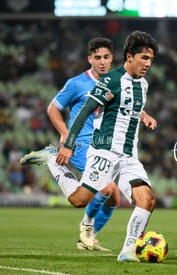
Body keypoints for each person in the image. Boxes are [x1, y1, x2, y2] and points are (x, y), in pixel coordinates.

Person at [55, 30, 159, 262]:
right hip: (104, 152)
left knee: (148, 200)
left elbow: (129, 107)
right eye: (144, 57)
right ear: (129, 56)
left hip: (129, 157)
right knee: (79, 201)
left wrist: (145, 116)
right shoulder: (111, 80)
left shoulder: (143, 85)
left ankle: (128, 251)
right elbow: (84, 111)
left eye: (151, 59)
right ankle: (55, 165)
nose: (148, 63)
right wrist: (68, 145)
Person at [21, 37, 119, 251]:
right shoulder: (77, 83)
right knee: (106, 187)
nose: (102, 62)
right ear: (89, 59)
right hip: (81, 144)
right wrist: (65, 134)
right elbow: (53, 108)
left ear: (112, 58)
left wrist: (144, 115)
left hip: (104, 147)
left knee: (112, 196)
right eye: (97, 58)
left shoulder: (116, 82)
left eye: (106, 57)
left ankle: (87, 237)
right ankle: (52, 159)